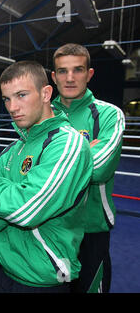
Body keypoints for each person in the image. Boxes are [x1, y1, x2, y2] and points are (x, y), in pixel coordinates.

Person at [0, 61, 93, 292]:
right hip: (1, 268)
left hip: (42, 279)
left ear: (46, 93)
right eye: (7, 98)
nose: (12, 107)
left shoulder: (67, 144)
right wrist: (1, 197)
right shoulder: (13, 148)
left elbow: (25, 210)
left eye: (21, 95)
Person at [51, 43, 125, 293]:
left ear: (89, 74)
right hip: (51, 227)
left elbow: (100, 168)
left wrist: (54, 163)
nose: (70, 78)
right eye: (62, 71)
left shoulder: (108, 115)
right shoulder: (42, 115)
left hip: (91, 228)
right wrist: (84, 151)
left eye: (78, 70)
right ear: (53, 76)